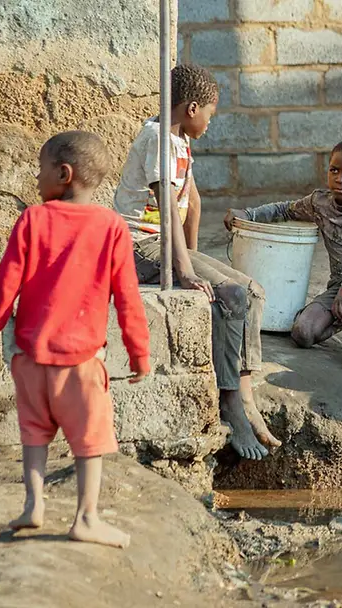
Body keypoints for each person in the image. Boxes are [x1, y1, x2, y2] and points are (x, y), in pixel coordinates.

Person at [0, 131, 149, 548]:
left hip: (30, 361)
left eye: (40, 168)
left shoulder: (32, 220)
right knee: (90, 440)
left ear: (64, 174)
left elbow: (3, 290)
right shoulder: (111, 227)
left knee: (33, 432)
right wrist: (139, 353)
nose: (36, 177)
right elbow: (127, 297)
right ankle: (86, 518)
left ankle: (34, 504)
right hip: (80, 365)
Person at [114, 63, 279, 460]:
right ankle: (230, 401)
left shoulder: (179, 138)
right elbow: (168, 207)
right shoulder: (157, 138)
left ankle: (245, 393)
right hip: (138, 246)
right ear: (191, 108)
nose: (209, 121)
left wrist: (192, 253)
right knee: (231, 296)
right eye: (210, 113)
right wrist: (186, 271)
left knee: (253, 291)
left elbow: (193, 200)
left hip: (165, 245)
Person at [224, 139, 342, 375]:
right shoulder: (320, 202)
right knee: (303, 333)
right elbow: (284, 210)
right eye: (335, 170)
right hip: (341, 290)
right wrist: (248, 214)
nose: (341, 179)